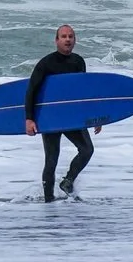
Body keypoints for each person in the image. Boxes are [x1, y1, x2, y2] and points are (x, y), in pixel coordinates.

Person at [24, 23, 94, 201]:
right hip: (51, 118)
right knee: (51, 160)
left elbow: (83, 93)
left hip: (71, 116)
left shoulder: (78, 62)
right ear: (56, 40)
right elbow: (31, 90)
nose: (68, 39)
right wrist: (29, 119)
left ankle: (68, 181)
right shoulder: (46, 63)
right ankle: (49, 200)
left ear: (75, 40)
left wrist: (94, 116)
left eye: (71, 36)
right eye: (63, 36)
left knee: (87, 150)